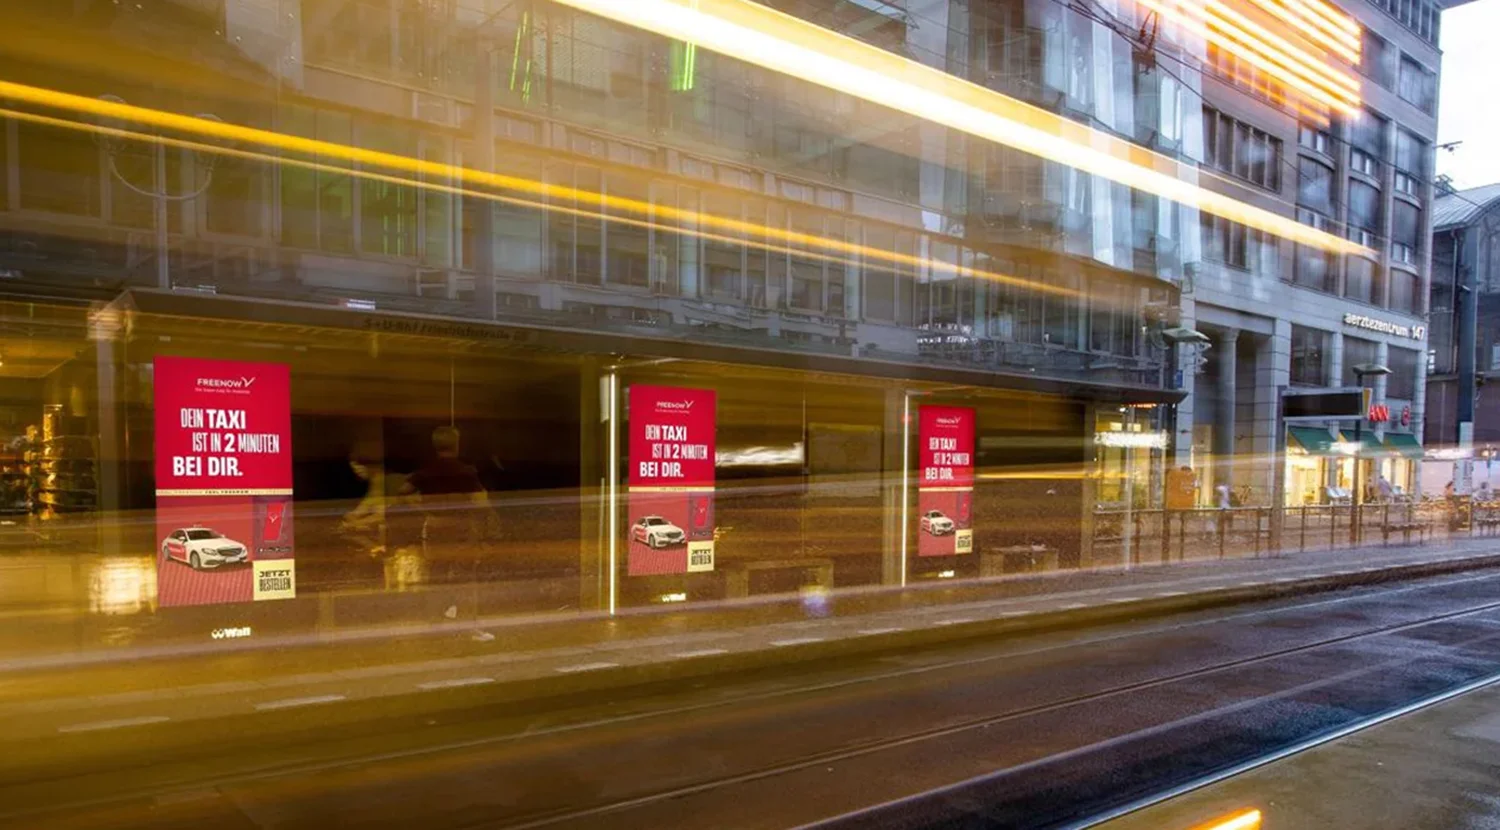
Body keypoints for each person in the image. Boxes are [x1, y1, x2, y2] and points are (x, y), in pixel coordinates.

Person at [401, 426, 489, 584]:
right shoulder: (465, 471)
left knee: (436, 571)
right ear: (457, 445)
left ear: (435, 446)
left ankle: (437, 605)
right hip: (461, 527)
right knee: (462, 574)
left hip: (435, 526)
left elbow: (403, 492)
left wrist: (422, 508)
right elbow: (481, 501)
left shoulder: (427, 470)